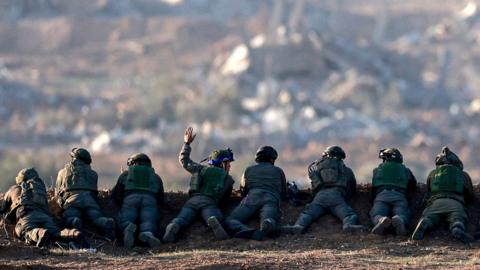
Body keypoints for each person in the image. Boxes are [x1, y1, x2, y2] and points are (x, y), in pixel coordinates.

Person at [162, 127, 234, 243]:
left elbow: (184, 161)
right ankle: (213, 220)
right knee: (216, 217)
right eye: (228, 163)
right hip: (209, 203)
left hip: (192, 201)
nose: (230, 166)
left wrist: (187, 143)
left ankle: (174, 225)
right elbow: (224, 198)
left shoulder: (200, 169)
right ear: (222, 163)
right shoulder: (228, 178)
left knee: (182, 219)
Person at [283, 146, 366, 234]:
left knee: (307, 214)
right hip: (337, 197)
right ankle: (348, 225)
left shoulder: (317, 168)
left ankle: (298, 226)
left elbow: (314, 186)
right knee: (349, 215)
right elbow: (353, 188)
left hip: (319, 198)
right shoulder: (346, 170)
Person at [2, 168, 85, 247]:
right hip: (44, 216)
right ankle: (73, 233)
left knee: (23, 231)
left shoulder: (14, 189)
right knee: (56, 233)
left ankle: (39, 233)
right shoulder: (40, 189)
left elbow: (3, 209)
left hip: (27, 216)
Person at [411, 146, 475, 244]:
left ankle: (425, 222)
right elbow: (470, 194)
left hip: (436, 202)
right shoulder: (463, 175)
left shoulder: (432, 173)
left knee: (429, 217)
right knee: (457, 218)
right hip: (455, 203)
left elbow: (428, 194)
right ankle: (456, 228)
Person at [225, 146, 287, 240]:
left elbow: (243, 190)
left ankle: (245, 229)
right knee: (269, 219)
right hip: (271, 199)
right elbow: (284, 193)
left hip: (252, 198)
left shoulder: (249, 170)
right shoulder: (278, 171)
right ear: (272, 159)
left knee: (230, 220)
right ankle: (266, 225)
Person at [55, 148, 115, 240]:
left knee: (70, 217)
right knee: (96, 218)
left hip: (72, 201)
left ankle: (75, 221)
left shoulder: (62, 172)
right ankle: (106, 222)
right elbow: (95, 193)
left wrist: (61, 205)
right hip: (90, 200)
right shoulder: (93, 174)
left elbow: (58, 194)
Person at [111, 153, 165, 248]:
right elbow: (161, 197)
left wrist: (120, 202)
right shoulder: (156, 176)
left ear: (133, 163)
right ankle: (147, 233)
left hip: (131, 199)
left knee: (125, 220)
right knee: (149, 221)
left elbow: (116, 194)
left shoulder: (126, 174)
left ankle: (127, 226)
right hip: (150, 200)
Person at [369, 148, 416, 235]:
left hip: (382, 195)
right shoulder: (406, 170)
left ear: (386, 159)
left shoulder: (377, 170)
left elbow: (374, 188)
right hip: (399, 196)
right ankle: (400, 220)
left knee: (376, 214)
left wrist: (372, 200)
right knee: (403, 214)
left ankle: (381, 220)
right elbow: (413, 185)